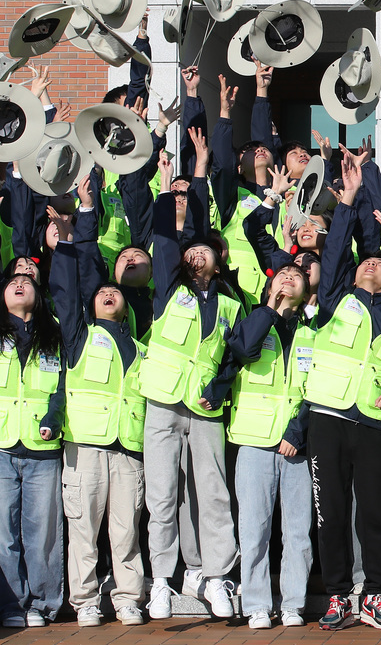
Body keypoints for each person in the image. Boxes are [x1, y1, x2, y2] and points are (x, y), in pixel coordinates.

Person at [136, 133, 243, 621]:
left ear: (219, 260)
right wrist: (168, 187)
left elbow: (232, 359)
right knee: (162, 493)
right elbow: (165, 237)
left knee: (212, 491)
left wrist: (202, 168)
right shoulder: (166, 293)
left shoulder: (230, 305)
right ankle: (162, 579)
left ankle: (214, 575)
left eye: (206, 250)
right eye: (191, 250)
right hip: (161, 403)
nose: (196, 254)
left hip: (204, 409)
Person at [301, 157, 381, 631]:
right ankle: (339, 595)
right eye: (366, 261)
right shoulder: (337, 298)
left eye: (378, 263)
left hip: (372, 424)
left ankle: (377, 593)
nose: (369, 265)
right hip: (327, 417)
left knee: (376, 513)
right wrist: (345, 202)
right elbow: (337, 252)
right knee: (332, 514)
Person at [50, 181, 146, 627]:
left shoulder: (143, 350)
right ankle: (85, 599)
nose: (109, 293)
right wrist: (69, 238)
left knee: (126, 530)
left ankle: (128, 596)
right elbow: (69, 291)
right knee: (83, 529)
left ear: (127, 305)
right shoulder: (79, 334)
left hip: (128, 448)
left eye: (116, 293)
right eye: (101, 293)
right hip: (85, 445)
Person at [223, 253, 315, 630]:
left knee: (297, 530)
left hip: (296, 444)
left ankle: (293, 602)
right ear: (269, 287)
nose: (289, 278)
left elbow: (318, 388)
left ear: (307, 292)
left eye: (296, 276)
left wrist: (298, 431)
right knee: (254, 529)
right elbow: (243, 350)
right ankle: (257, 603)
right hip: (254, 440)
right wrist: (269, 309)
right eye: (282, 275)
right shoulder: (253, 321)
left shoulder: (313, 331)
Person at [0, 265, 66, 629]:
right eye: (13, 282)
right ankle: (10, 603)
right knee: (3, 534)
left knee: (42, 532)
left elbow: (61, 390)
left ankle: (42, 604)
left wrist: (53, 420)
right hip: (2, 446)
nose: (21, 283)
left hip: (42, 451)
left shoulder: (53, 335)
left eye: (26, 281)